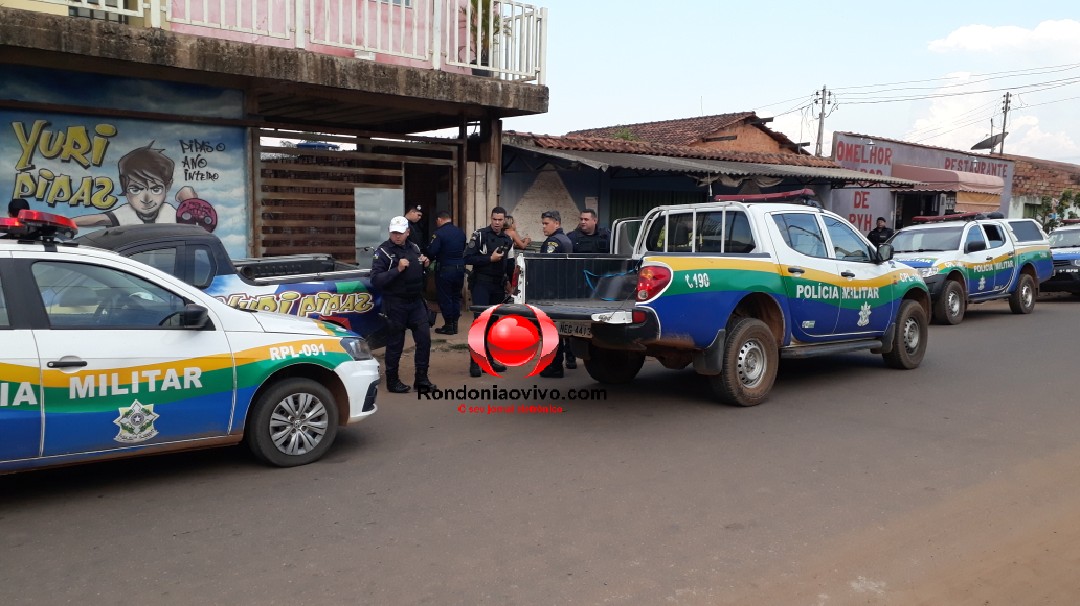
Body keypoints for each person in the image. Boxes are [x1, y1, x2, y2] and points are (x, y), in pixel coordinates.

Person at [370, 216, 436, 394]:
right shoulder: (383, 252)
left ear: (407, 232)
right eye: (394, 232)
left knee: (424, 340)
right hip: (395, 304)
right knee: (395, 344)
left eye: (400, 233)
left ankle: (421, 379)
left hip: (415, 302)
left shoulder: (414, 248)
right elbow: (375, 279)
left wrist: (426, 265)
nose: (397, 236)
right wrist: (397, 269)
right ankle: (393, 381)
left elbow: (419, 274)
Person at [73, 144, 179, 228]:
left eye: (155, 189)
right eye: (136, 190)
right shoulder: (124, 214)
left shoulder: (171, 213)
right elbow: (99, 219)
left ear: (168, 186)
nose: (146, 199)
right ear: (124, 186)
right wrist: (66, 222)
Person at [464, 206, 514, 378]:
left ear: (504, 220)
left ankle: (489, 360)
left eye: (500, 220)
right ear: (490, 218)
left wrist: (509, 283)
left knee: (493, 325)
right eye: (495, 219)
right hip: (481, 285)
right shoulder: (480, 235)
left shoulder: (508, 239)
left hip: (498, 286)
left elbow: (509, 263)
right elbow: (467, 257)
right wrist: (489, 259)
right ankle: (475, 363)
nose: (497, 223)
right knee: (480, 323)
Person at [537, 210, 574, 378]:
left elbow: (546, 267)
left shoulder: (553, 242)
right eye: (543, 223)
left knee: (550, 330)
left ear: (556, 224)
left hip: (551, 292)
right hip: (562, 290)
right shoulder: (566, 239)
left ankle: (555, 365)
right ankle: (558, 362)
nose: (543, 226)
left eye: (546, 223)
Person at [428, 211, 467, 335]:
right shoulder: (460, 232)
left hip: (445, 270)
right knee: (456, 297)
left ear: (440, 220)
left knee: (445, 297)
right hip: (460, 269)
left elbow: (432, 251)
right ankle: (454, 325)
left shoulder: (439, 233)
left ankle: (449, 325)